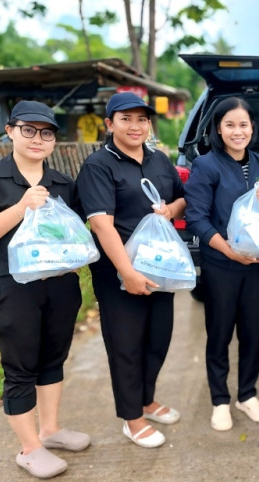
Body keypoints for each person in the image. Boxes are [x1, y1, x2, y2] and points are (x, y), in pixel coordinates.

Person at [0, 101, 90, 479]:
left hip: (59, 286)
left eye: (46, 132)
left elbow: (76, 231)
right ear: (10, 131)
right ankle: (29, 449)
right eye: (28, 130)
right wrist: (21, 208)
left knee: (53, 358)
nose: (37, 138)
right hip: (12, 290)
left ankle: (51, 430)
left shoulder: (62, 183)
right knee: (20, 367)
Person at [75, 92, 186, 448]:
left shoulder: (159, 159)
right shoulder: (98, 166)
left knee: (158, 338)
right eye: (126, 119)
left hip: (160, 267)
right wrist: (128, 272)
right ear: (110, 124)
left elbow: (181, 198)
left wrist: (171, 210)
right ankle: (132, 417)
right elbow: (101, 225)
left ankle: (147, 400)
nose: (135, 126)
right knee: (126, 345)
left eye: (142, 119)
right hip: (118, 274)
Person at [184, 97, 259, 431]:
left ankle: (247, 394)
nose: (237, 131)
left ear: (252, 127)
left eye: (243, 124)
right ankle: (219, 400)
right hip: (222, 266)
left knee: (253, 332)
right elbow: (197, 217)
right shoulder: (206, 165)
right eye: (229, 125)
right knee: (219, 333)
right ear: (218, 128)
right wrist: (228, 251)